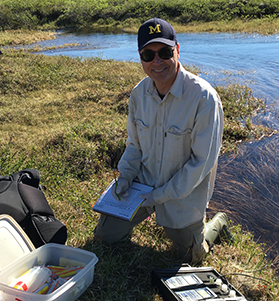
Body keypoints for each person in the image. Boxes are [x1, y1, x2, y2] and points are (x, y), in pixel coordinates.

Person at [94, 17, 232, 263]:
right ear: (140, 57)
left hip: (182, 195)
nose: (157, 61)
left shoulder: (204, 99)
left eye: (165, 52)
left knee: (191, 256)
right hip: (143, 186)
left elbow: (201, 164)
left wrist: (159, 196)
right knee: (105, 236)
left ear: (177, 50)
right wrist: (125, 177)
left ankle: (217, 223)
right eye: (148, 54)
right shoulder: (138, 94)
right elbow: (134, 145)